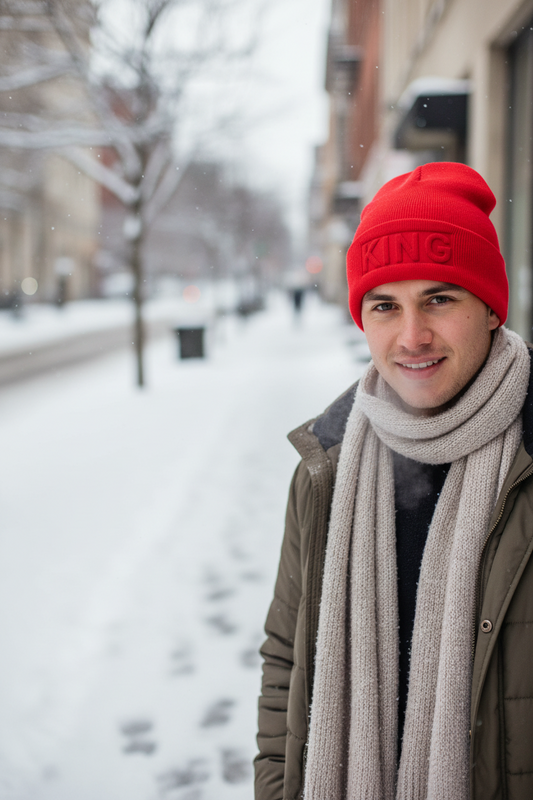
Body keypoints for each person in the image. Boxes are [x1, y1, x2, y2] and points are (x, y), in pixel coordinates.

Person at [254, 162, 533, 800]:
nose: (412, 337)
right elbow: (285, 660)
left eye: (439, 298)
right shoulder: (325, 468)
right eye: (386, 306)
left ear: (490, 309)